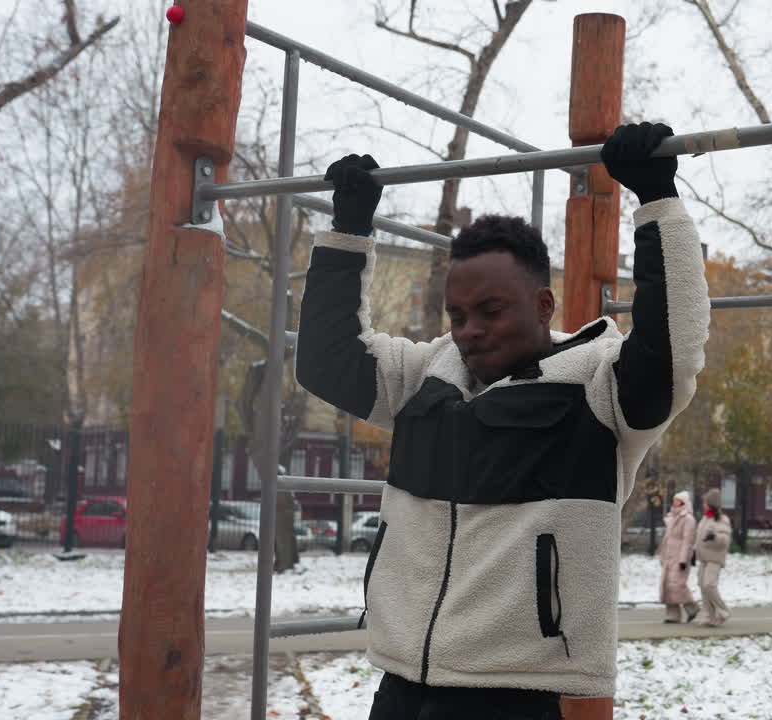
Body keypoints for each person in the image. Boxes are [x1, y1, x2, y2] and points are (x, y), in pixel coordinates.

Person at [294, 121, 709, 719]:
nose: (470, 330)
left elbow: (673, 350)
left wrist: (656, 199)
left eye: (491, 311)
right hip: (402, 680)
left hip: (514, 691)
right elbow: (326, 360)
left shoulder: (599, 389)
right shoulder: (426, 376)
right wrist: (349, 231)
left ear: (543, 305)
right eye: (458, 314)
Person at [658, 490, 700, 623]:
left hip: (680, 557)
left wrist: (683, 560)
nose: (674, 502)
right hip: (669, 557)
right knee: (667, 585)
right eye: (674, 500)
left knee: (677, 585)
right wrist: (662, 555)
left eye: (677, 500)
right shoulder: (671, 517)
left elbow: (687, 541)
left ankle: (692, 608)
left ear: (683, 502)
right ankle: (673, 615)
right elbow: (667, 539)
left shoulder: (688, 519)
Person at [694, 488, 732, 627]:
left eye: (705, 502)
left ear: (711, 504)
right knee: (702, 586)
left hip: (714, 558)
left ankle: (723, 611)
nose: (703, 504)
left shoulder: (722, 519)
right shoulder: (705, 518)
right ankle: (711, 617)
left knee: (709, 585)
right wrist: (694, 549)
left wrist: (715, 536)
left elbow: (725, 541)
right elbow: (699, 537)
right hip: (703, 558)